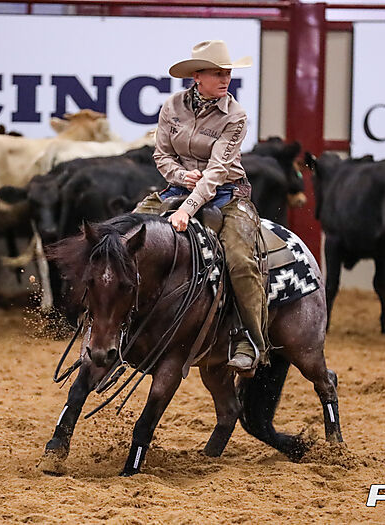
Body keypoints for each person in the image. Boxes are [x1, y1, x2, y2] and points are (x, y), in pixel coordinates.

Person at [133, 40, 267, 373]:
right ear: (197, 77)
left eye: (228, 73)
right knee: (125, 238)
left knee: (239, 259)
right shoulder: (171, 107)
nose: (225, 79)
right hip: (180, 188)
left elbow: (218, 171)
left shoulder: (235, 116)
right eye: (218, 73)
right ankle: (115, 322)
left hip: (227, 195)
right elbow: (162, 154)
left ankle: (251, 339)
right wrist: (182, 176)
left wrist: (187, 209)